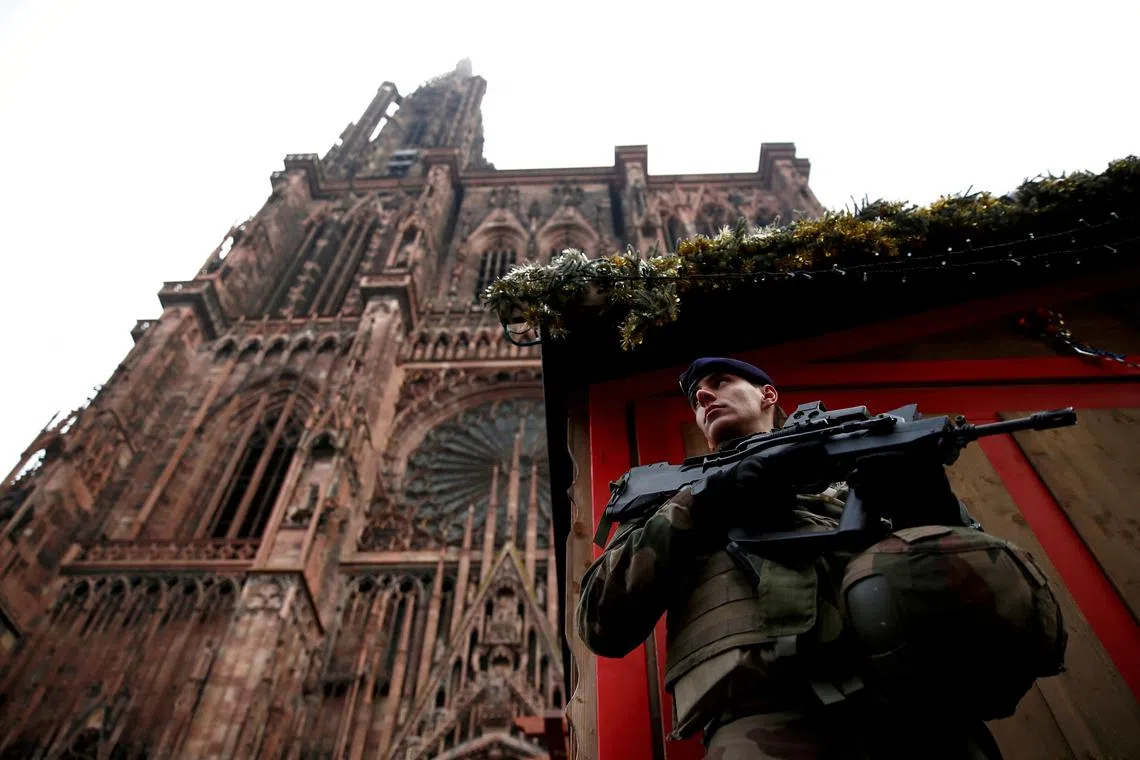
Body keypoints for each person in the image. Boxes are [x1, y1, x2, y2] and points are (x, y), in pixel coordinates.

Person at [575, 357, 1004, 759]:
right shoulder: (674, 499)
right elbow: (600, 621)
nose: (703, 397)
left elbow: (980, 575)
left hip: (918, 706)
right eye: (696, 398)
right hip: (764, 719)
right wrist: (706, 502)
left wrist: (928, 498)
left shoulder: (854, 470)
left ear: (768, 395)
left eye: (720, 383)